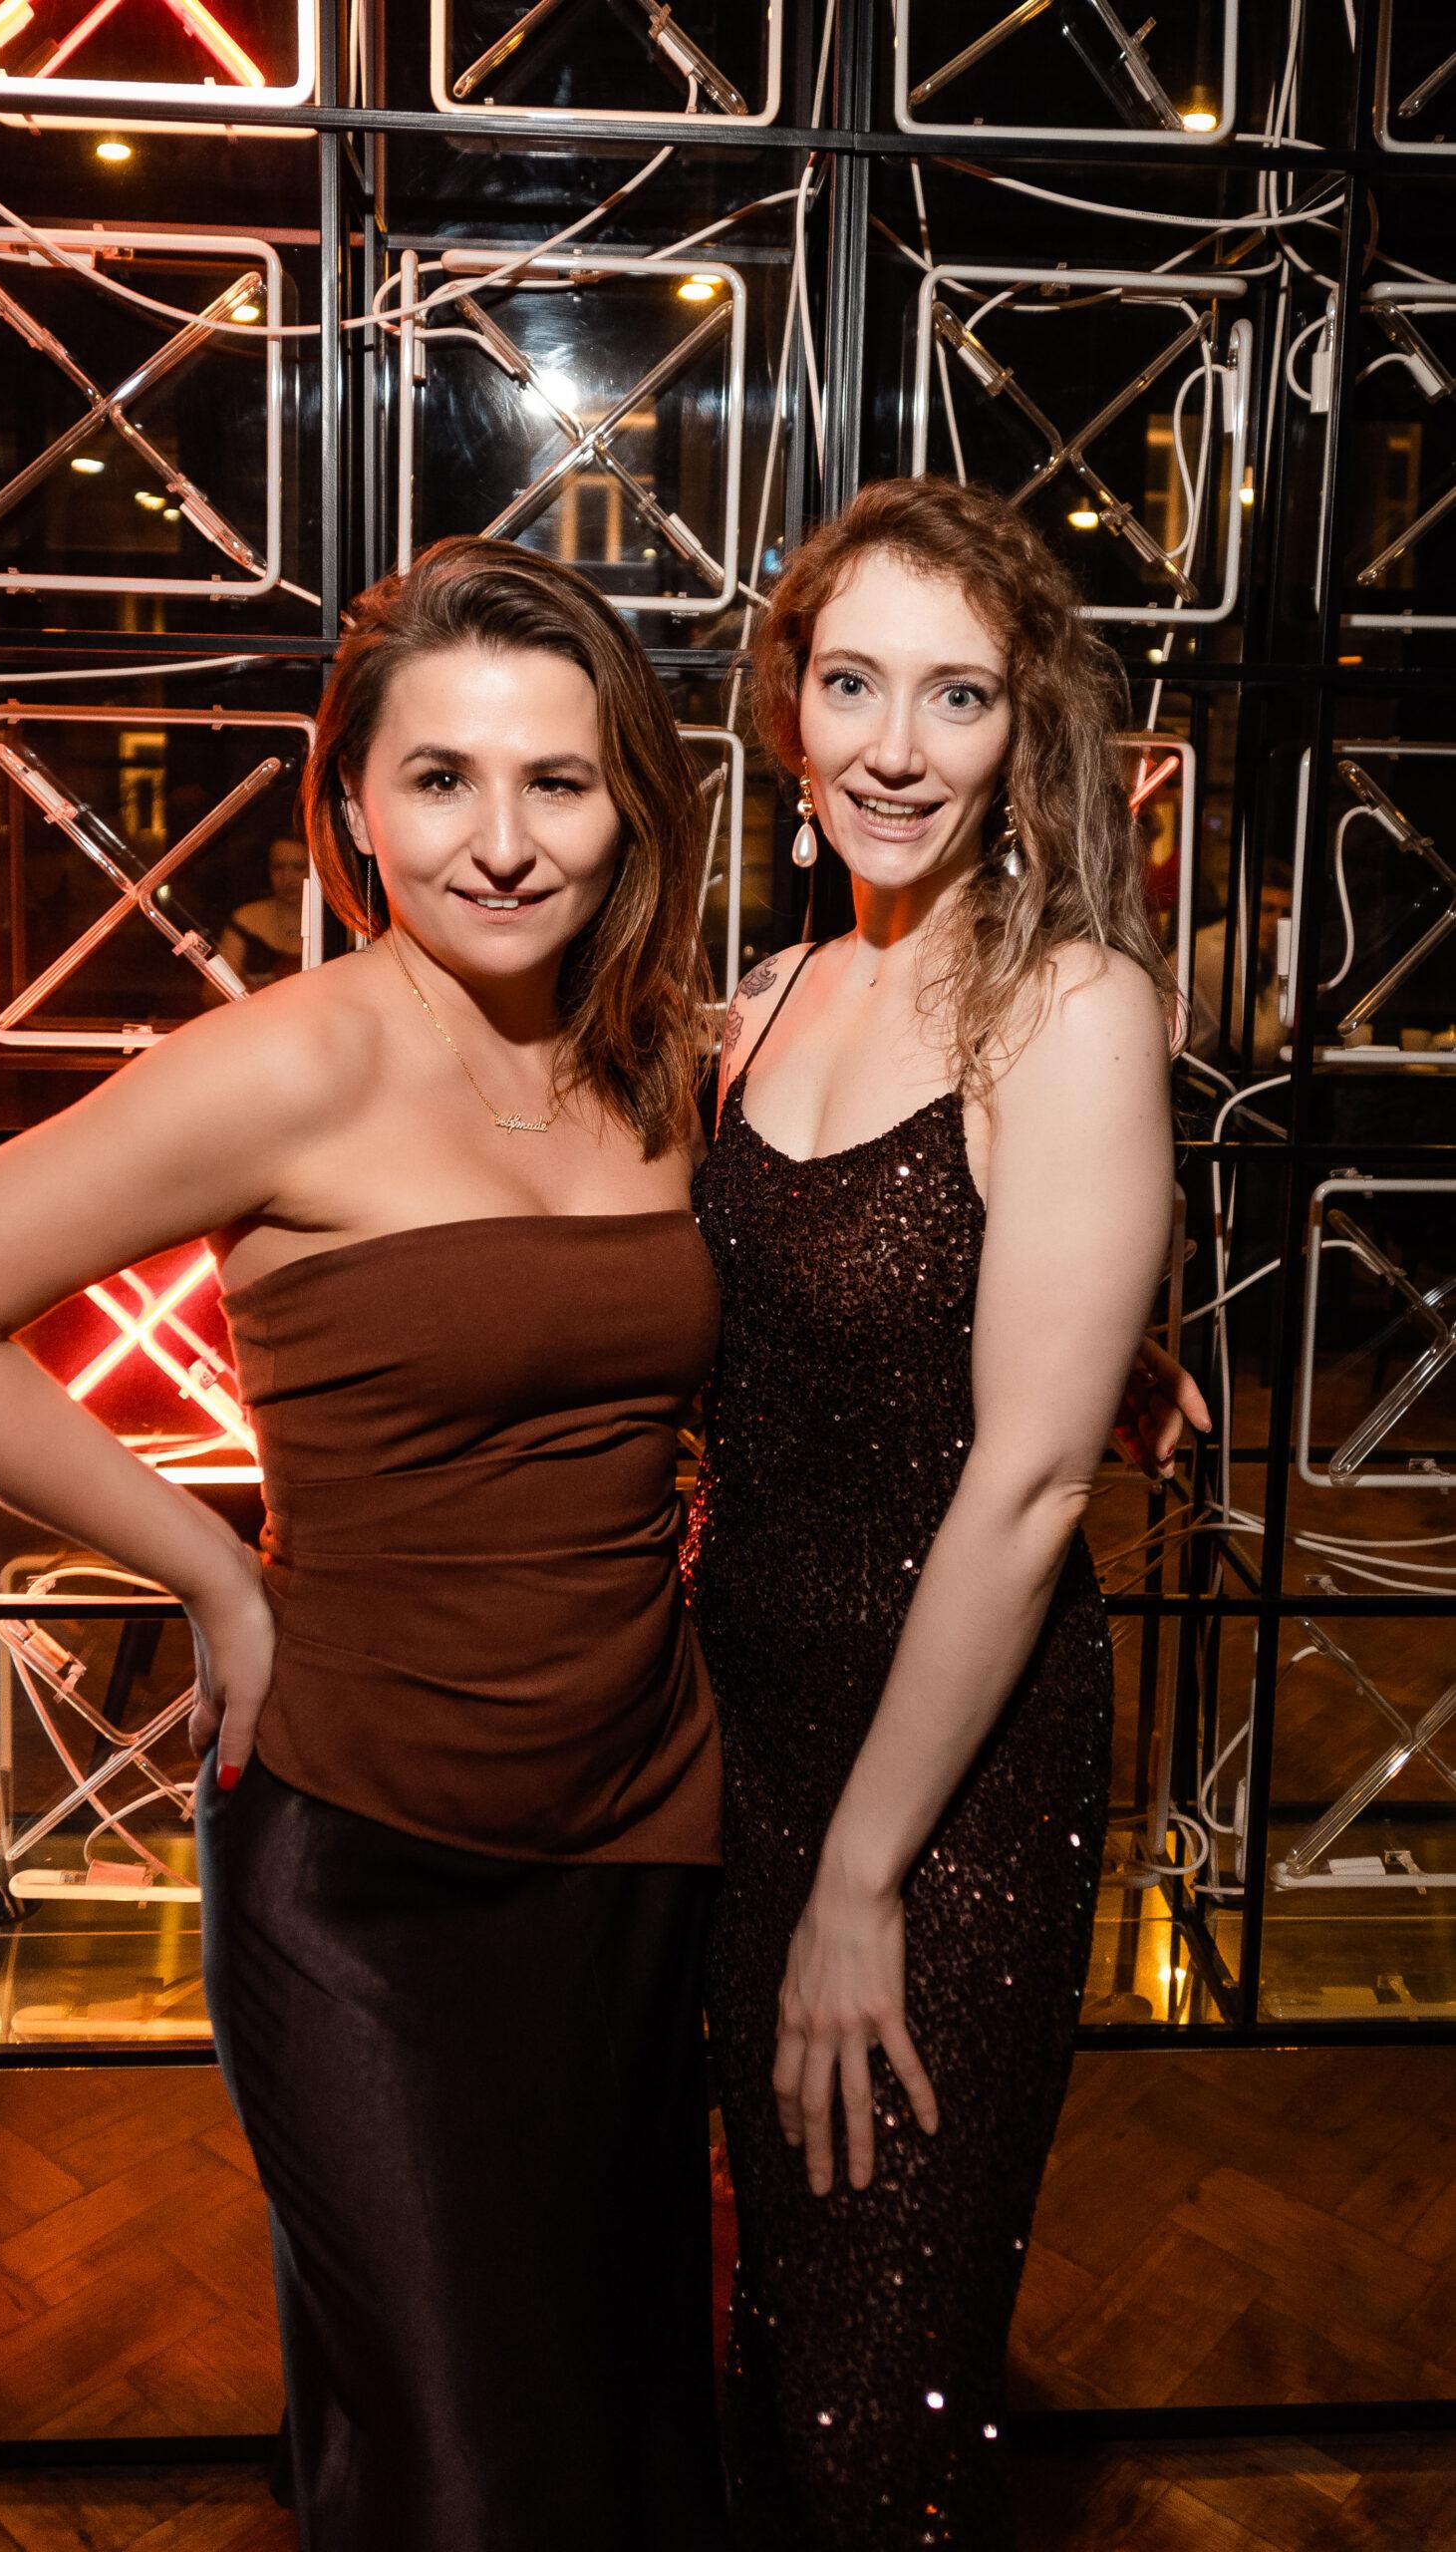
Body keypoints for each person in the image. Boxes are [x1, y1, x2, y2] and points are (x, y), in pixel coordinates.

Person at [0, 537, 729, 2552]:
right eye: (440, 780)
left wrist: (1105, 1355)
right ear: (351, 808)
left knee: (616, 2420)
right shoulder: (287, 1061)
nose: (502, 842)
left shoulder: (665, 1059)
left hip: (636, 1840)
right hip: (366, 1864)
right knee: (457, 2469)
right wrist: (212, 1569)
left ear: (630, 809)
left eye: (557, 782)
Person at [680, 474, 1193, 2550]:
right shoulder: (759, 1002)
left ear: (1017, 729)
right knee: (761, 2311)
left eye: (954, 695)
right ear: (787, 709)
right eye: (851, 683)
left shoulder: (1067, 1007)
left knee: (870, 2376)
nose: (893, 746)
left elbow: (1028, 1478)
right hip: (734, 1726)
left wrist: (858, 1874)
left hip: (945, 1778)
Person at [219, 832, 308, 990]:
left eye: (298, 867)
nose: (287, 878)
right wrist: (252, 988)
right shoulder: (245, 919)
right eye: (278, 867)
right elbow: (213, 992)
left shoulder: (338, 923)